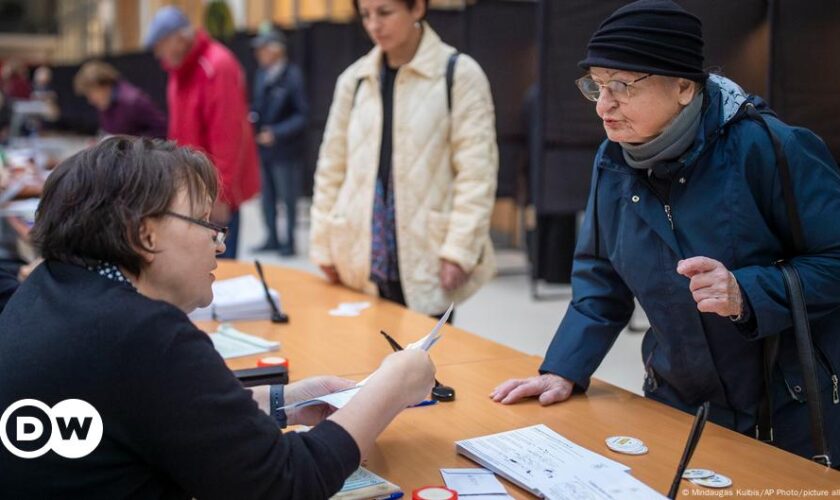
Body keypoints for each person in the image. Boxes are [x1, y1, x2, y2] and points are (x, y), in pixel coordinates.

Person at [492, 0, 840, 465]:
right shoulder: (613, 158)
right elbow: (601, 279)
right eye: (595, 85)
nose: (603, 105)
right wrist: (564, 369)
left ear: (682, 87)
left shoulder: (770, 149)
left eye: (621, 85)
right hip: (674, 398)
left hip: (782, 410)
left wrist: (748, 291)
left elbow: (833, 258)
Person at [0, 136, 437, 498]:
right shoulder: (143, 334)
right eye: (204, 221)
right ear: (143, 234)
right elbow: (284, 484)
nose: (219, 242)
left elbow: (158, 413)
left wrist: (285, 401)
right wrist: (391, 387)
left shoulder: (49, 292)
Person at [310, 0, 498, 317]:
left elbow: (477, 172)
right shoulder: (354, 80)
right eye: (366, 15)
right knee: (360, 358)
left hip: (427, 251)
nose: (373, 25)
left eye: (384, 13)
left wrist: (460, 250)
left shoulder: (458, 74)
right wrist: (322, 244)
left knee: (423, 359)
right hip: (359, 253)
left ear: (417, 8)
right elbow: (331, 168)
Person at [146, 6, 260, 259]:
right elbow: (179, 132)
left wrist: (221, 196)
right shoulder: (177, 70)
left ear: (178, 37)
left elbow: (228, 137)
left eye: (161, 45)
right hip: (193, 189)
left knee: (220, 270)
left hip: (216, 193)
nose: (158, 54)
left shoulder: (217, 66)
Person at [250, 29, 309, 256]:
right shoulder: (261, 75)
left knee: (288, 197)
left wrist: (276, 133)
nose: (258, 54)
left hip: (286, 149)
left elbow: (302, 116)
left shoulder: (292, 76)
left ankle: (289, 242)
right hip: (264, 149)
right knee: (267, 197)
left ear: (276, 50)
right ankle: (272, 237)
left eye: (263, 49)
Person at [73, 61, 167, 139]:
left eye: (91, 94)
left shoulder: (133, 102)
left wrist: (134, 146)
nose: (91, 100)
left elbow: (162, 129)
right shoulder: (105, 103)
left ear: (103, 86)